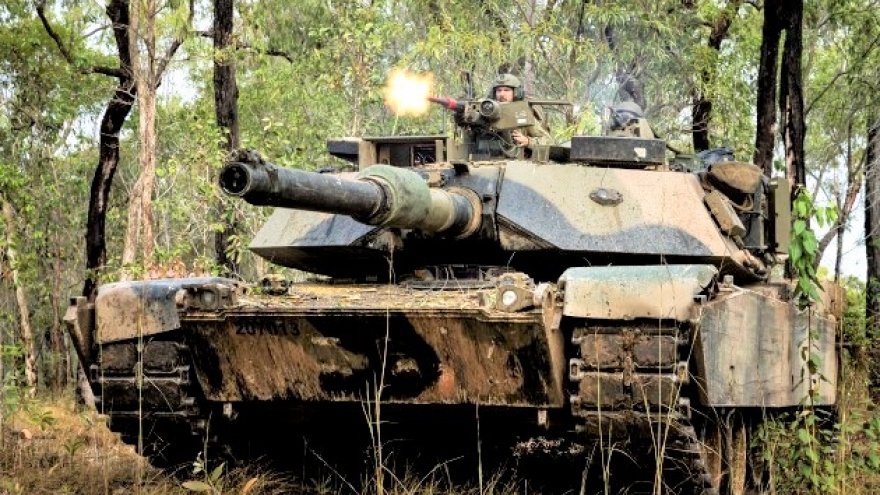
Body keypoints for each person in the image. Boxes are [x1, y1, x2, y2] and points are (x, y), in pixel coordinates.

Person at [489, 73, 551, 153]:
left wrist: (528, 141)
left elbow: (548, 140)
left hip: (517, 157)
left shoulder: (522, 113)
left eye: (506, 90)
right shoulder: (488, 112)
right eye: (499, 90)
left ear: (517, 93)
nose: (502, 94)